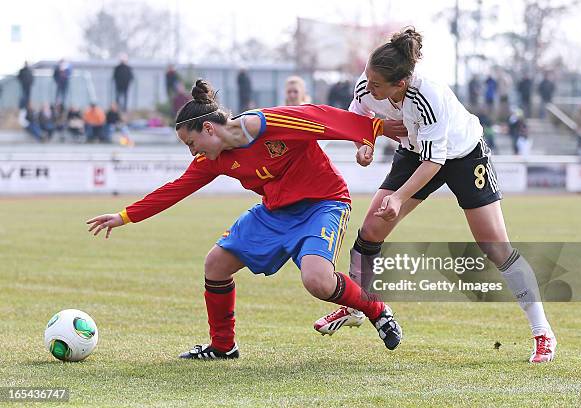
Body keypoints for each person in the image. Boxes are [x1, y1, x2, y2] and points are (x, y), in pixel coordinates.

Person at [86, 79, 403, 360]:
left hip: (323, 203)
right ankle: (223, 346)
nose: (191, 151)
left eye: (191, 143)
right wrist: (124, 216)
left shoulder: (264, 123)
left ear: (208, 128)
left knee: (317, 281)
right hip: (275, 212)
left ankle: (376, 310)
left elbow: (317, 116)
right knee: (216, 264)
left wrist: (369, 131)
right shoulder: (212, 159)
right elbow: (175, 190)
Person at [315, 27, 556, 363]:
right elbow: (358, 113)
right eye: (367, 79)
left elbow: (435, 162)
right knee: (370, 230)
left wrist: (398, 198)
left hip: (462, 156)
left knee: (496, 247)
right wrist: (364, 143)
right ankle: (356, 305)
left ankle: (543, 332)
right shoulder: (370, 81)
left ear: (400, 84)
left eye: (376, 85)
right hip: (415, 153)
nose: (367, 87)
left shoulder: (427, 95)